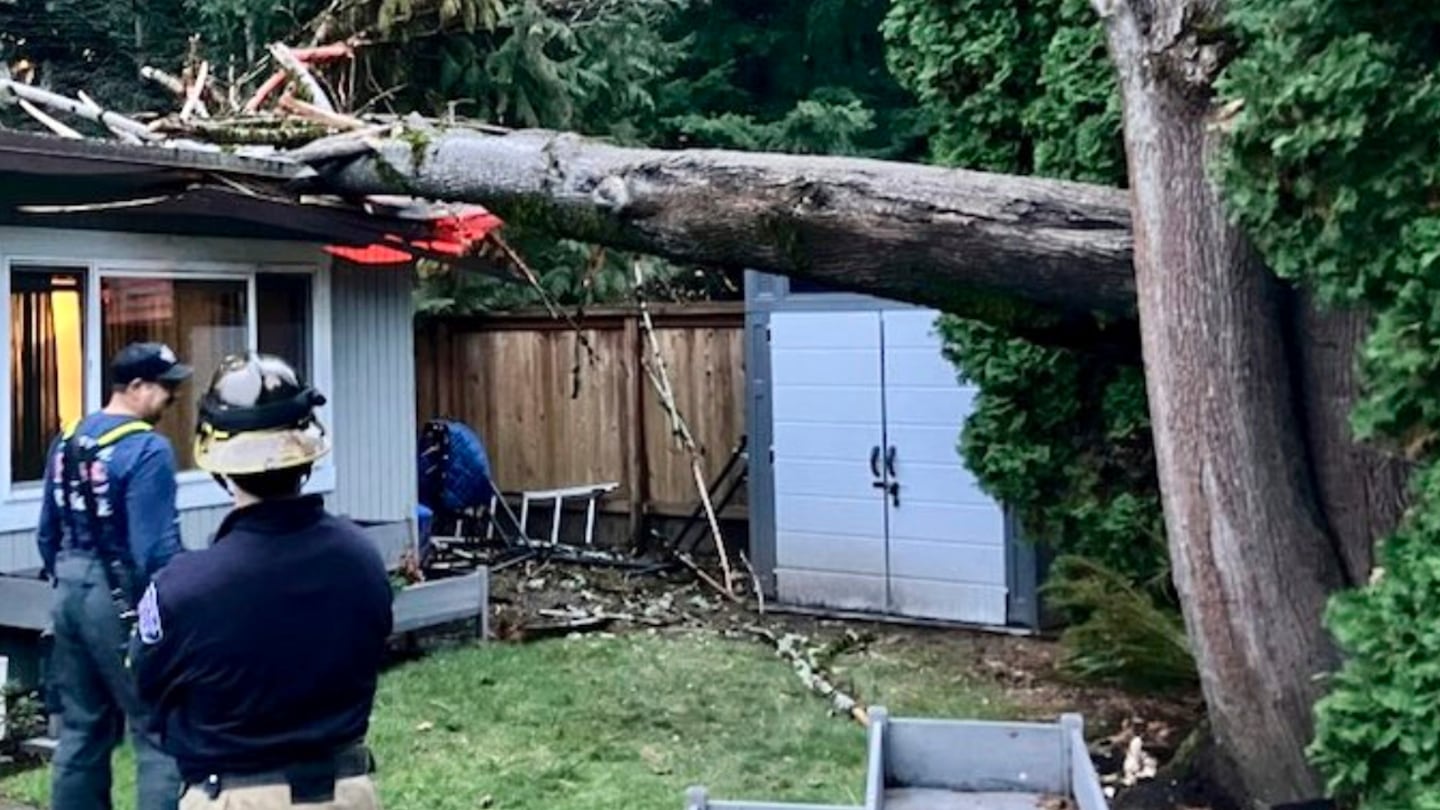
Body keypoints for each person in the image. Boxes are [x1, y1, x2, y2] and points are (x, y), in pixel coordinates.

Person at [134, 352, 394, 810]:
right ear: (308, 452)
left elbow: (149, 689)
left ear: (217, 462)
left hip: (235, 797)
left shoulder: (183, 589)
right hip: (344, 792)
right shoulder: (363, 559)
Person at [37, 341, 192, 810]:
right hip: (123, 596)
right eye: (166, 389)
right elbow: (154, 552)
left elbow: (47, 531)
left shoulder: (68, 440)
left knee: (82, 728)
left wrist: (68, 579)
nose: (171, 399)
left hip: (68, 586)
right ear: (138, 387)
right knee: (157, 726)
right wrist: (177, 608)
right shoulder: (148, 449)